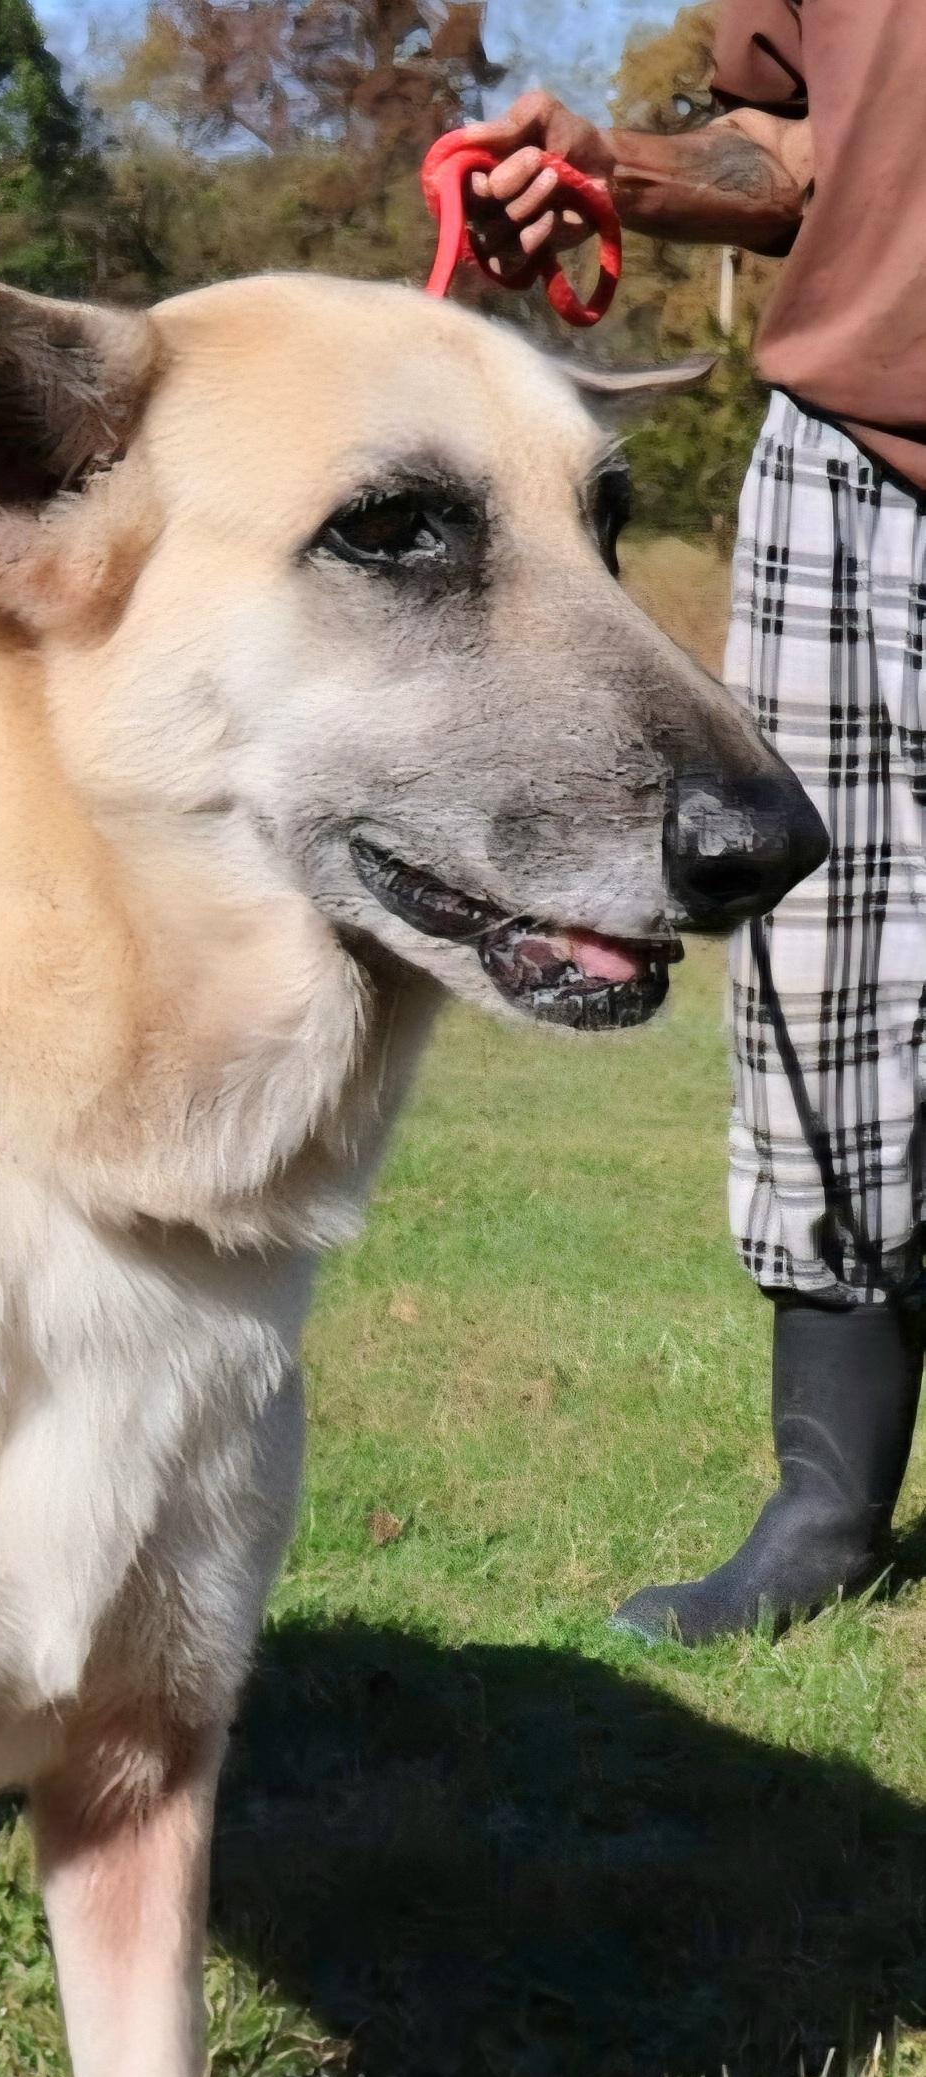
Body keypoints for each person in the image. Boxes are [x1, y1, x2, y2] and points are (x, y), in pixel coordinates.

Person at [459, 3, 926, 1645]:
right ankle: (827, 1505)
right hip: (846, 465)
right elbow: (806, 147)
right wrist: (621, 175)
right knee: (822, 978)